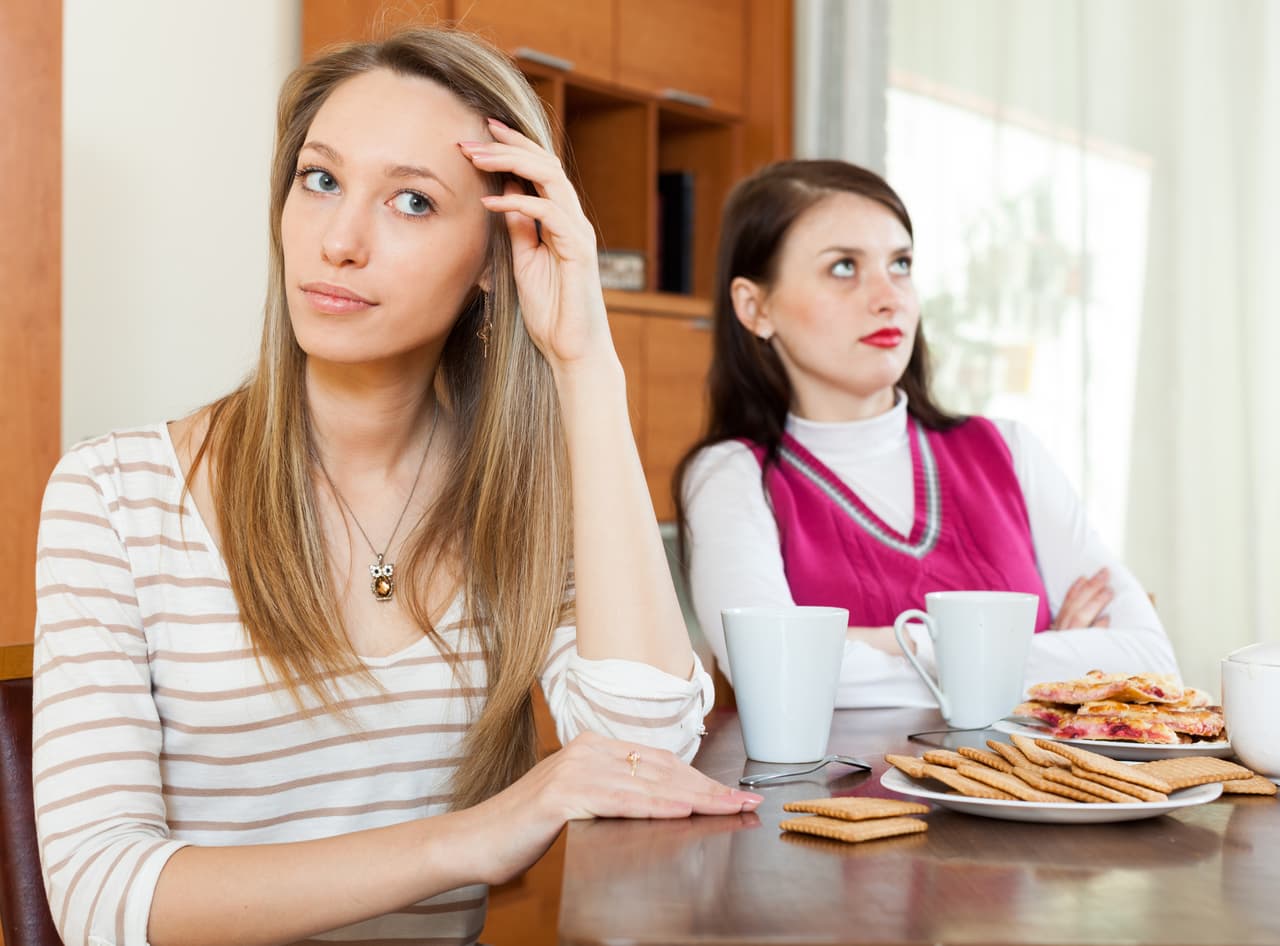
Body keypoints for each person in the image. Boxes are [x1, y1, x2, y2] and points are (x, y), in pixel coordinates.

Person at [33, 28, 762, 946]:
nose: (339, 241)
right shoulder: (113, 496)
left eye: (412, 201)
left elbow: (642, 760)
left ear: (496, 259)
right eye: (321, 179)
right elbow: (103, 900)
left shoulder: (519, 503)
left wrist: (587, 361)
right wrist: (472, 839)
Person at [675, 159, 1179, 709]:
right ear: (755, 307)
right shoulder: (732, 477)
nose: (888, 296)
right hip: (847, 796)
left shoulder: (1007, 448)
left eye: (901, 264)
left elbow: (1149, 661)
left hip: (1041, 794)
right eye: (844, 267)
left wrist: (891, 644)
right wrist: (1043, 654)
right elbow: (771, 673)